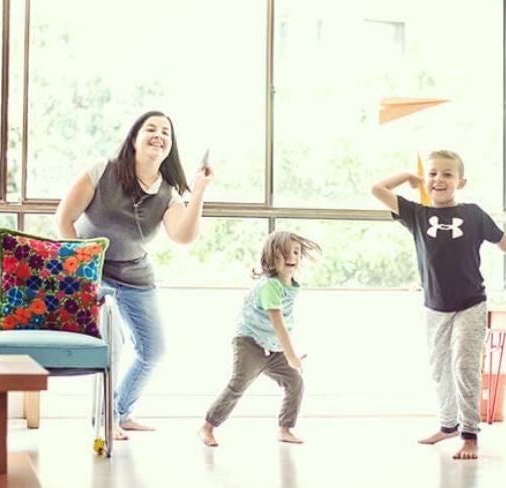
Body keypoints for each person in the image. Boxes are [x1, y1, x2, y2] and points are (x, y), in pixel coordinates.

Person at [371, 150, 506, 460]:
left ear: (460, 182)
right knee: (439, 370)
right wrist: (408, 176)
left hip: (470, 304)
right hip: (434, 307)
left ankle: (469, 434)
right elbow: (377, 189)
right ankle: (448, 425)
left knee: (464, 366)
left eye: (447, 174)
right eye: (433, 173)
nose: (439, 179)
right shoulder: (417, 215)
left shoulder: (473, 215)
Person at [55, 110, 214, 440]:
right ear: (134, 139)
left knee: (153, 350)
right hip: (94, 272)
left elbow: (183, 236)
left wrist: (198, 190)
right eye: (151, 129)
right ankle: (105, 418)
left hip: (135, 275)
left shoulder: (168, 194)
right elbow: (64, 219)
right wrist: (83, 268)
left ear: (170, 146)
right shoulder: (103, 171)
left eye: (165, 132)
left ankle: (121, 411)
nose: (159, 135)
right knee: (112, 343)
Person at [197, 230, 321, 447]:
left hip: (272, 346)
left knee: (294, 381)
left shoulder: (289, 284)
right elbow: (278, 324)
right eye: (284, 253)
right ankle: (207, 427)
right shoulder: (270, 286)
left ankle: (285, 428)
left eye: (296, 252)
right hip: (250, 342)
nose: (291, 257)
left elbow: (282, 328)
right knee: (238, 384)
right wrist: (291, 355)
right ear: (272, 257)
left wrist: (288, 354)